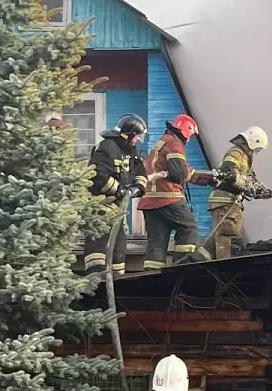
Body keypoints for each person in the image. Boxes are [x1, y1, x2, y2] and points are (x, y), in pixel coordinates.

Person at [137, 113, 213, 270]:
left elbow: (175, 170)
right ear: (186, 131)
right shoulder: (175, 144)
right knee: (189, 226)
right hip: (168, 197)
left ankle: (151, 278)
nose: (189, 139)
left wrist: (206, 179)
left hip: (150, 202)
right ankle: (181, 268)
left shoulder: (162, 142)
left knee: (157, 242)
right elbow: (179, 173)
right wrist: (204, 177)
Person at [83, 114, 149, 275]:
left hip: (117, 212)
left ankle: (117, 283)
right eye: (135, 137)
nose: (136, 141)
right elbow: (96, 175)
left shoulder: (129, 151)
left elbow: (140, 171)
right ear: (127, 135)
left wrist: (138, 187)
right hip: (100, 209)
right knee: (98, 250)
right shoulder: (106, 148)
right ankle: (97, 282)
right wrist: (118, 189)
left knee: (119, 249)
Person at [205, 126, 272, 259]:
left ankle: (202, 260)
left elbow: (251, 180)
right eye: (258, 148)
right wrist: (247, 185)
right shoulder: (236, 153)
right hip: (225, 203)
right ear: (253, 142)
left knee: (226, 241)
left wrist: (266, 192)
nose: (257, 151)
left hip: (231, 204)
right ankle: (225, 273)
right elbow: (229, 172)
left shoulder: (245, 158)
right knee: (228, 242)